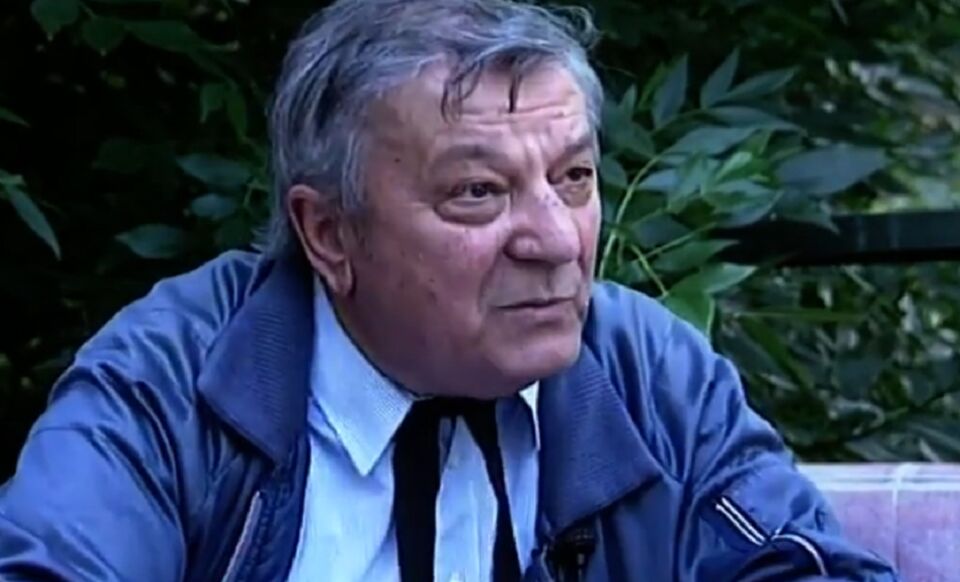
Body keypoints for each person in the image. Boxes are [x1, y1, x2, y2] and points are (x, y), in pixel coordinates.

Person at [0, 0, 898, 580]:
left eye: (575, 178)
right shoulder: (177, 381)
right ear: (330, 233)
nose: (556, 241)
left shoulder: (649, 374)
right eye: (478, 191)